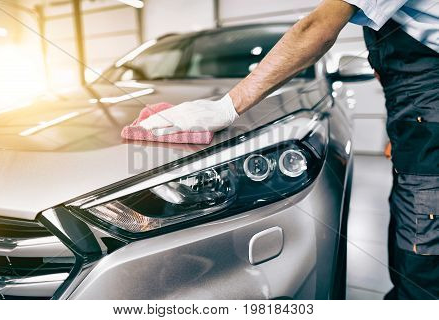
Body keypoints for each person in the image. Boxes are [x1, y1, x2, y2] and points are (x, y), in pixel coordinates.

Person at [140, 0, 439, 299]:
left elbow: (316, 28)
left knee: (423, 259)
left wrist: (228, 106)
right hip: (419, 129)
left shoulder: (313, 101)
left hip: (429, 123)